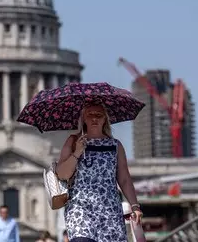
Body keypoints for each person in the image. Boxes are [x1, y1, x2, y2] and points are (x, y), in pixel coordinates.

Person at [55, 103, 143, 242]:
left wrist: (135, 206)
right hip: (80, 210)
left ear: (105, 119)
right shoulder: (73, 141)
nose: (94, 119)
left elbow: (124, 178)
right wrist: (77, 152)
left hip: (110, 211)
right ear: (83, 118)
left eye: (99, 115)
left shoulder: (115, 145)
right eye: (90, 115)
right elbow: (62, 174)